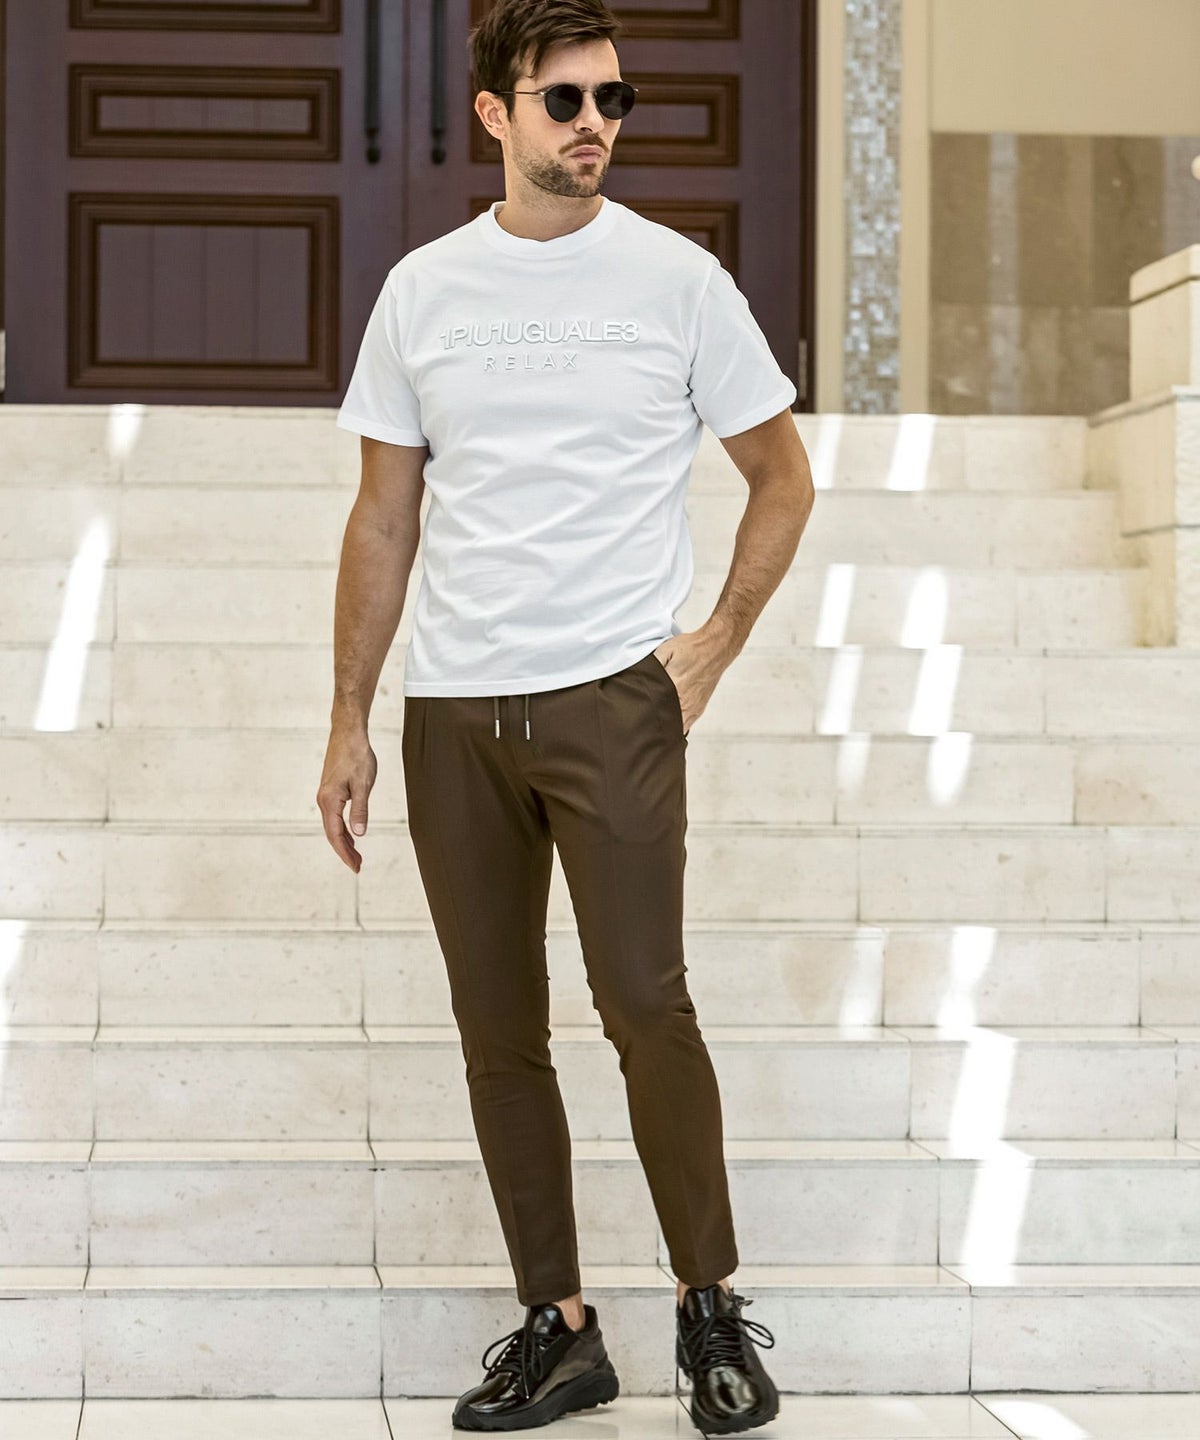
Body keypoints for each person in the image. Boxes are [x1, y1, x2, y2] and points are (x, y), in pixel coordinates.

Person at [317, 0, 814, 1430]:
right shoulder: (423, 290)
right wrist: (349, 716)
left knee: (646, 1002)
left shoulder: (677, 280)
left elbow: (783, 478)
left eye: (612, 98)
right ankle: (562, 1326)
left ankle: (709, 1309)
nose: (596, 122)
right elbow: (384, 516)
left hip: (612, 699)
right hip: (452, 710)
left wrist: (711, 646)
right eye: (565, 99)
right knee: (497, 1027)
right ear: (496, 114)